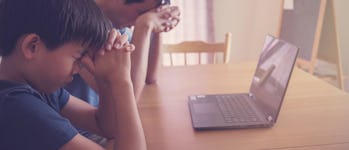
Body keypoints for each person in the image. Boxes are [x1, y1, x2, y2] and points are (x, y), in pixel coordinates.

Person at [0, 0, 146, 149]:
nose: (80, 66)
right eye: (78, 57)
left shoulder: (35, 87)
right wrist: (122, 82)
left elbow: (105, 126)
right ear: (32, 47)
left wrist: (106, 78)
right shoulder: (17, 106)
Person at [65, 0, 180, 107]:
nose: (136, 22)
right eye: (141, 13)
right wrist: (145, 25)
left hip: (103, 120)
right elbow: (127, 100)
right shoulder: (78, 20)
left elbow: (150, 77)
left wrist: (159, 24)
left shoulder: (118, 26)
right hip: (77, 126)